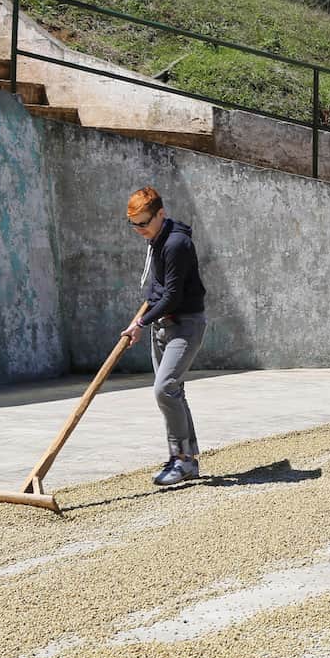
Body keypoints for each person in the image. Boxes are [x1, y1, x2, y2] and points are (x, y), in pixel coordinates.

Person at [120, 186, 208, 486]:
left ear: (161, 214)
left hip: (185, 324)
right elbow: (155, 291)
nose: (138, 229)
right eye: (133, 224)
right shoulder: (156, 240)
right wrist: (142, 322)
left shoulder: (176, 244)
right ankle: (186, 459)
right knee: (174, 391)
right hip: (162, 325)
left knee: (165, 388)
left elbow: (171, 296)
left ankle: (182, 460)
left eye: (144, 222)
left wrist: (141, 323)